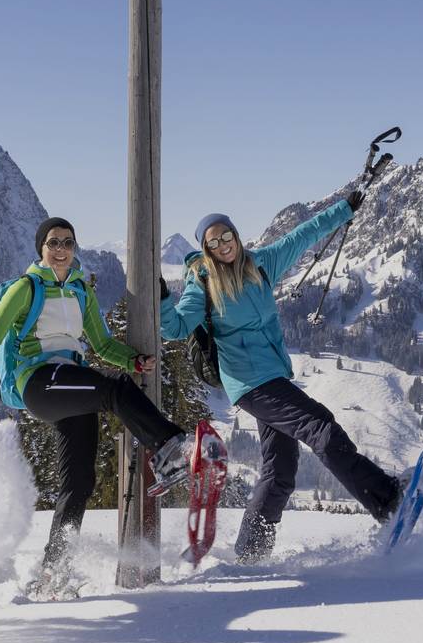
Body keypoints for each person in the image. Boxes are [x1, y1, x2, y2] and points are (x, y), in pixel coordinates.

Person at [0, 216, 214, 596]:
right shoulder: (26, 287)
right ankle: (172, 447)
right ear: (41, 248)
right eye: (53, 242)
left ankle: (54, 573)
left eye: (68, 242)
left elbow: (101, 345)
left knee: (79, 482)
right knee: (114, 390)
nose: (61, 249)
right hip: (38, 380)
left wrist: (132, 361)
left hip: (68, 380)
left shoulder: (80, 291)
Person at [160, 192, 401, 564]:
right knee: (321, 428)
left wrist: (345, 209)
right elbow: (176, 327)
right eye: (214, 242)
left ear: (236, 236)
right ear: (205, 249)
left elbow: (302, 237)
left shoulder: (260, 264)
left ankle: (250, 553)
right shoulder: (202, 282)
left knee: (280, 471)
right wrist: (161, 298)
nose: (224, 245)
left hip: (273, 376)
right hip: (249, 384)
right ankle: (388, 501)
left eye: (227, 237)